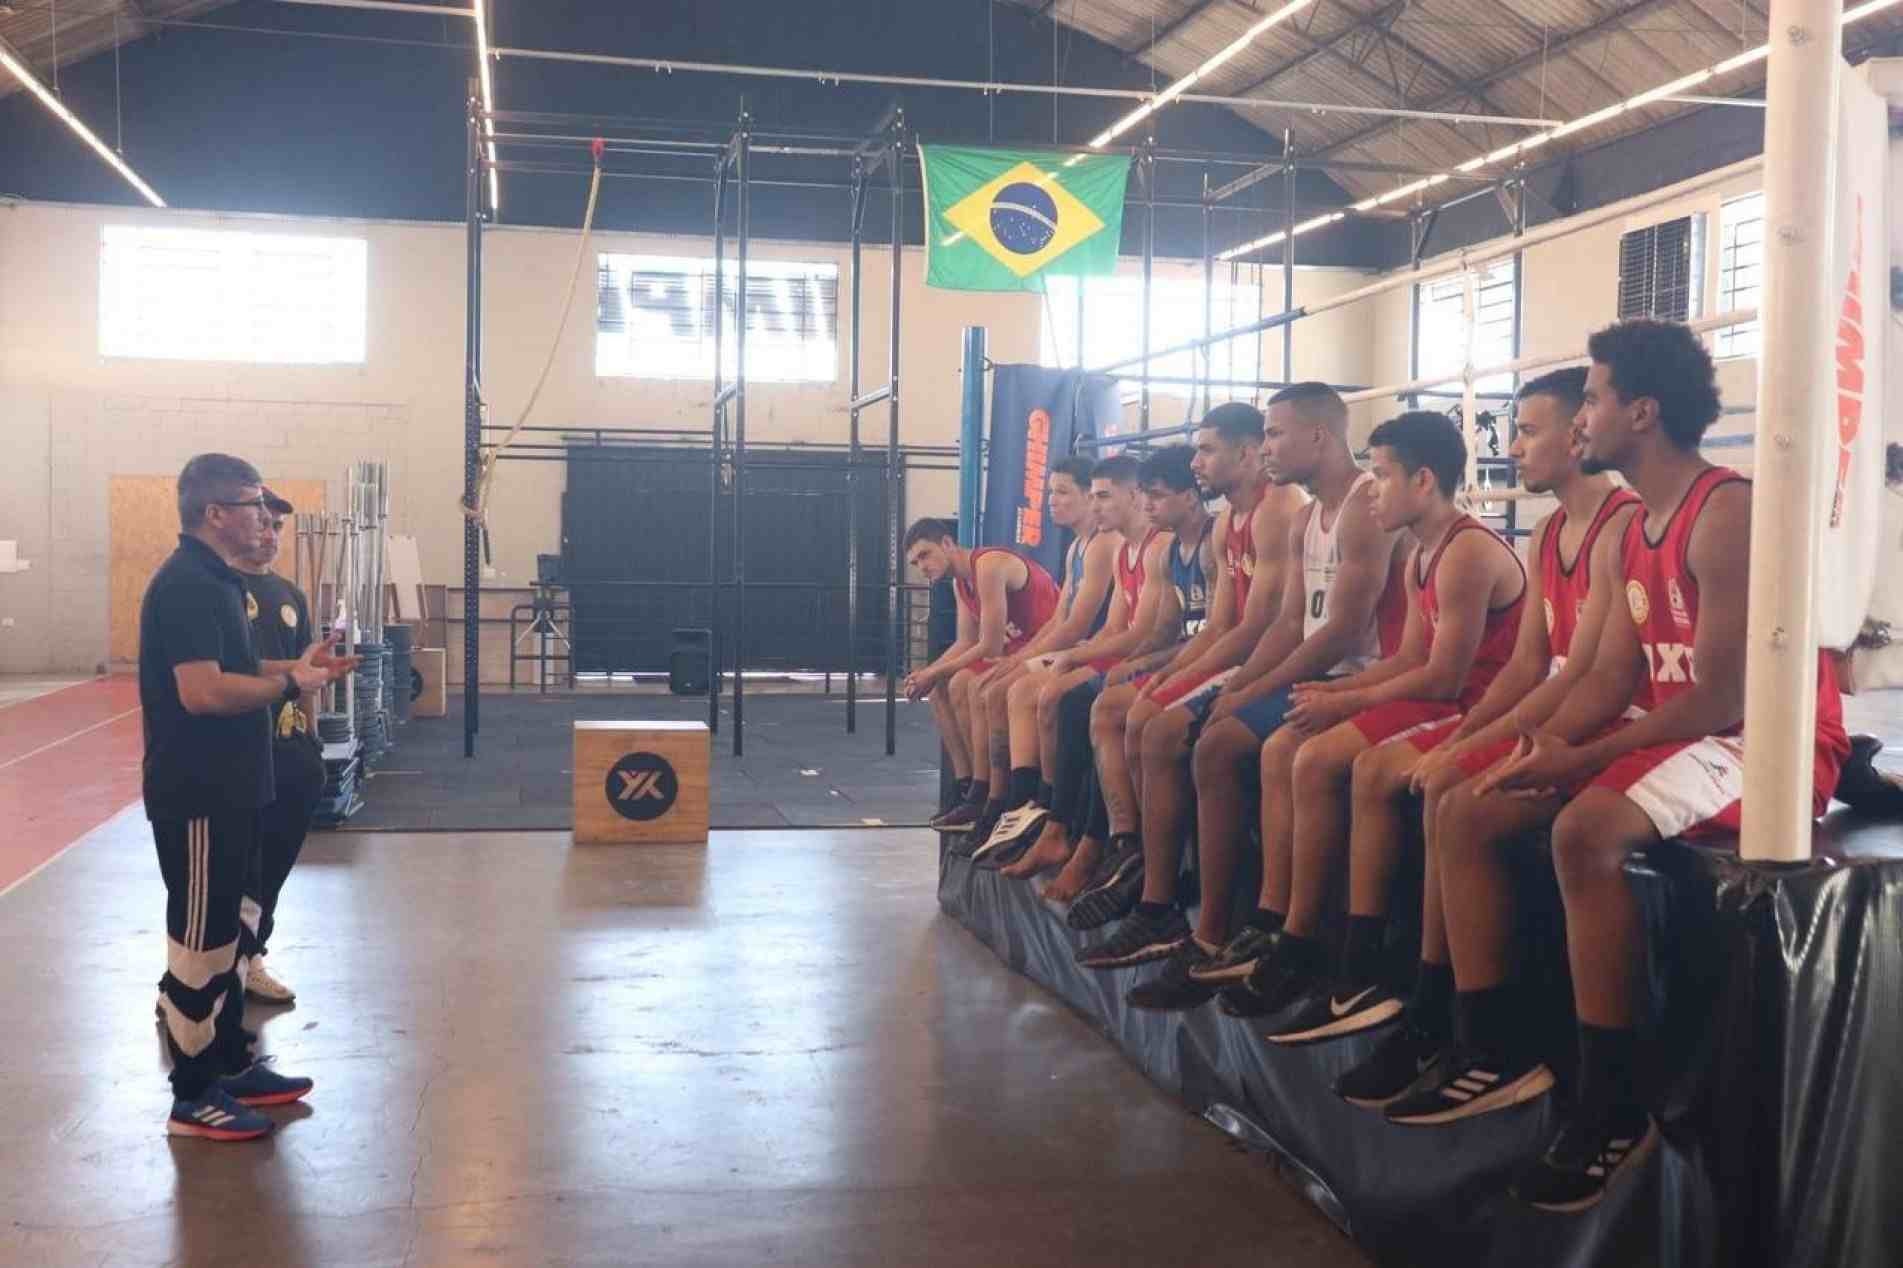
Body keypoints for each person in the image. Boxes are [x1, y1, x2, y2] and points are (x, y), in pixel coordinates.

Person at [1393, 320, 1849, 1214]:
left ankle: (1613, 1103)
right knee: (1469, 804)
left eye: (1593, 398)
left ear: (1640, 412)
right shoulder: (1630, 527)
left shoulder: (1728, 510)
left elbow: (1721, 697)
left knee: (1585, 830)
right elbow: (1603, 677)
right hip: (1679, 731)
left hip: (1766, 741)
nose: (1580, 418)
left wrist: (1585, 757)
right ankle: (1488, 1045)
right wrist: (1519, 752)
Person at [1309, 369, 1638, 1104]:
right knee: (1440, 789)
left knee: (1454, 797)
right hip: (1560, 703)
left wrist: (1467, 742)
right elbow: (1527, 666)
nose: (1511, 447)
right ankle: (1429, 1002)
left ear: (1580, 433)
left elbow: (1587, 678)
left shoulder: (1618, 526)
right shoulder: (1547, 531)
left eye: (1527, 430)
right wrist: (1465, 741)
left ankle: (1483, 1032)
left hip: (1615, 717)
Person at [1231, 410, 1525, 1037]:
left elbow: (1443, 679)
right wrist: (1337, 690)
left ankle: (1351, 954)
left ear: (1424, 481)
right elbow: (1409, 658)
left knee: (1336, 761)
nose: (1372, 491)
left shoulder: (1467, 550)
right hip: (1441, 698)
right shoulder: (1423, 553)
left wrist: (1348, 701)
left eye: (1383, 476)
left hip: (1473, 707)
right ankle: (1300, 933)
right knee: (1295, 746)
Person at [1121, 382, 1408, 1009]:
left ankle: (1271, 927)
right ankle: (1215, 921)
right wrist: (1242, 687)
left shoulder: (1362, 505)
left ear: (1318, 436)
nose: (1267, 446)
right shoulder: (1307, 518)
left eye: (1275, 433)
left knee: (1237, 743)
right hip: (1322, 670)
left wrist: (1251, 688)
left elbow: (1341, 631)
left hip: (1363, 674)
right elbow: (1286, 624)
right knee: (1211, 738)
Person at [142, 453, 354, 1140]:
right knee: (202, 947)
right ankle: (193, 1094)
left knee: (234, 935)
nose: (266, 518)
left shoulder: (220, 582)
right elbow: (203, 690)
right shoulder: (186, 584)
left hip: (239, 787)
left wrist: (296, 666)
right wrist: (289, 684)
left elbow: (237, 666)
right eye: (252, 505)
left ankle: (230, 1061)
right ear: (214, 514)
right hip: (200, 793)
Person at [1068, 402, 1308, 954]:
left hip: (1275, 660)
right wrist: (1169, 675)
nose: (1196, 462)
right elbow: (1220, 625)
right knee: (1138, 713)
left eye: (1206, 450)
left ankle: (1169, 900)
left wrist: (1210, 684)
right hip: (1248, 652)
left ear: (1245, 454)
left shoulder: (1277, 510)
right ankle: (1144, 866)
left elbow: (1262, 627)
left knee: (1162, 728)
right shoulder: (1230, 527)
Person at [1003, 445, 1208, 882]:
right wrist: (1065, 657)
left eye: (1102, 496)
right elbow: (1113, 627)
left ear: (1133, 496)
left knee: (1071, 698)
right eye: (1092, 496)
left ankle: (1085, 832)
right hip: (1141, 653)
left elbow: (1142, 634)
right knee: (1040, 690)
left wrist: (1077, 658)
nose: (1094, 506)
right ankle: (1040, 813)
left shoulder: (1157, 547)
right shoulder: (1122, 551)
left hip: (1151, 656)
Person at [967, 456, 1134, 856]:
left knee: (1022, 691)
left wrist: (1022, 664)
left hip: (1094, 649)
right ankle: (998, 797)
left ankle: (1035, 801)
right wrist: (1016, 660)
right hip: (1086, 647)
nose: (1051, 501)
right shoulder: (1078, 546)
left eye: (1062, 492)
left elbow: (1076, 626)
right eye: (1049, 492)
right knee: (990, 687)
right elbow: (1059, 619)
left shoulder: (1105, 545)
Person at [903, 518, 1060, 838]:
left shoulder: (988, 565)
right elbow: (966, 642)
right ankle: (969, 787)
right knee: (940, 689)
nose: (922, 567)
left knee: (972, 685)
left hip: (1047, 648)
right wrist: (928, 674)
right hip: (1015, 652)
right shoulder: (960, 583)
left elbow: (989, 645)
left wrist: (934, 671)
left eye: (925, 555)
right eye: (915, 563)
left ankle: (992, 792)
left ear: (947, 543)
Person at [234, 489, 329, 1005]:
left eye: (278, 528)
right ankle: (204, 973)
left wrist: (312, 736)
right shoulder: (219, 591)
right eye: (263, 524)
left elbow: (307, 672)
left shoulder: (291, 595)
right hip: (241, 752)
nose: (270, 536)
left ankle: (253, 955)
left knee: (274, 860)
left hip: (291, 752)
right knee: (239, 864)